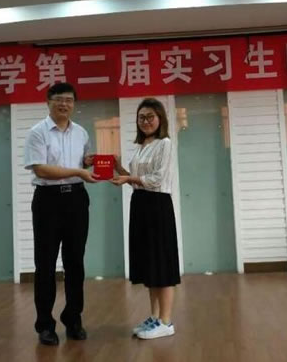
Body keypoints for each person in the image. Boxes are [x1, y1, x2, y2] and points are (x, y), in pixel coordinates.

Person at [24, 82, 98, 346]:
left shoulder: (81, 132)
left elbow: (83, 161)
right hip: (48, 201)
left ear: (74, 104)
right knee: (45, 264)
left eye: (69, 100)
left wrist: (87, 162)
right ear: (48, 102)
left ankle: (73, 318)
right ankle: (45, 324)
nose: (64, 104)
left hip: (76, 200)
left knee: (75, 262)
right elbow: (41, 169)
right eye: (59, 99)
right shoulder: (37, 132)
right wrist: (78, 171)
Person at [110, 97, 180, 340]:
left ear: (160, 119)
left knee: (163, 264)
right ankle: (154, 317)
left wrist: (129, 178)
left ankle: (166, 321)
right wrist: (119, 168)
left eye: (150, 116)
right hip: (140, 204)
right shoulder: (141, 146)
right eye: (141, 117)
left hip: (158, 206)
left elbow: (157, 179)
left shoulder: (165, 143)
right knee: (150, 264)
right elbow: (136, 180)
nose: (146, 121)